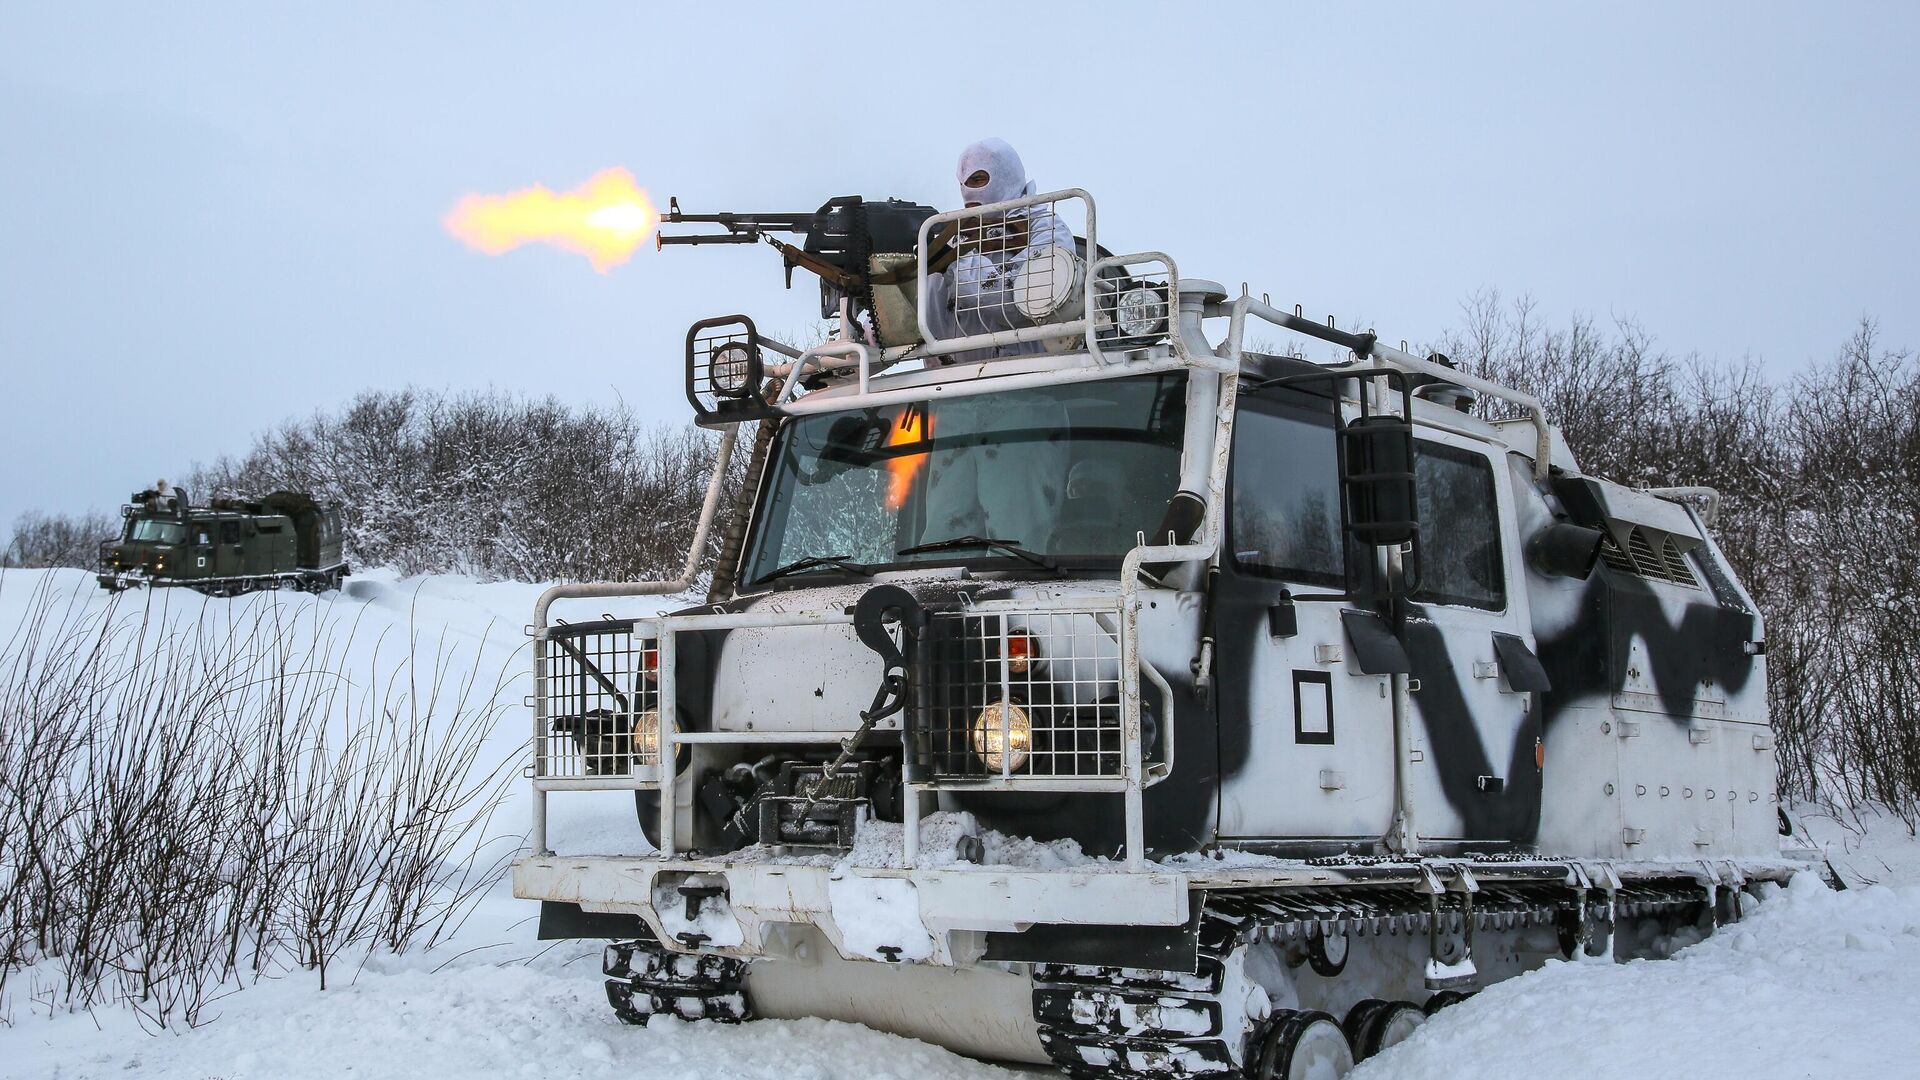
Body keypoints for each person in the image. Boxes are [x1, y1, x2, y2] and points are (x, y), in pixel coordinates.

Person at [924, 138, 1076, 360]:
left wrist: (955, 261)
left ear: (1006, 176)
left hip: (1032, 378)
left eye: (978, 179)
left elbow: (1020, 301)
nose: (967, 191)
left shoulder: (1047, 229)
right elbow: (921, 313)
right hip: (955, 385)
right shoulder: (954, 236)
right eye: (962, 183)